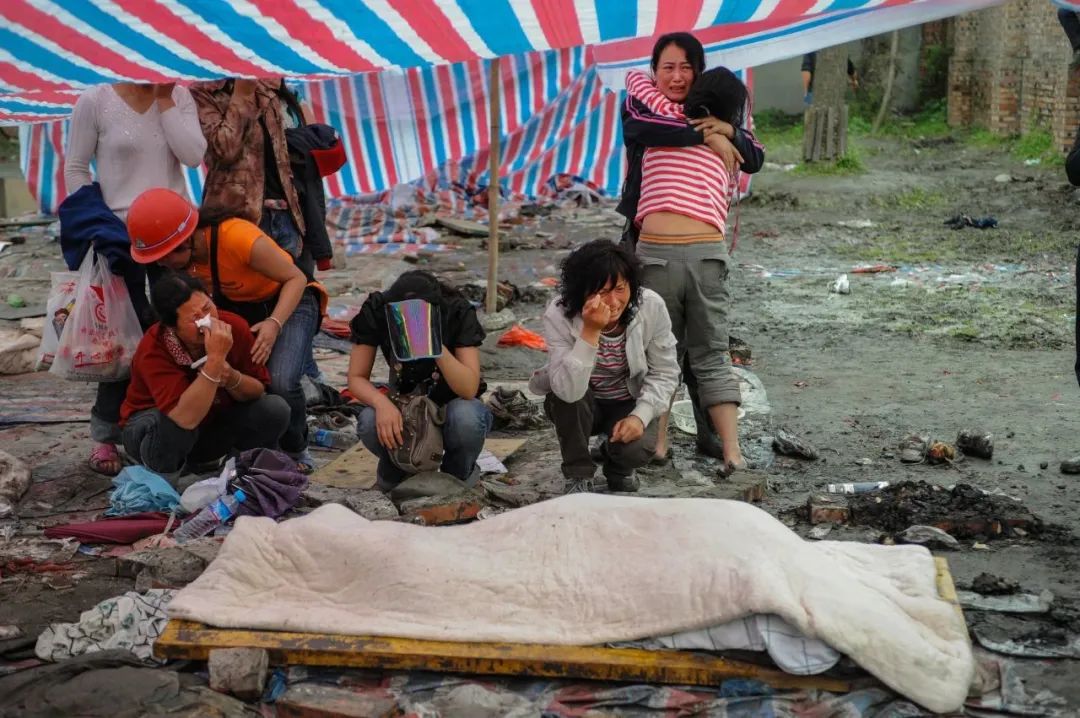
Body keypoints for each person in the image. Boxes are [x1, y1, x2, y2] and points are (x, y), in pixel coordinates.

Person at [125, 188, 326, 473]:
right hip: (244, 308)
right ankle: (183, 459)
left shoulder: (237, 238)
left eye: (163, 258)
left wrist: (273, 325)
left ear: (183, 244)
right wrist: (217, 365)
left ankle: (296, 450)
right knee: (184, 413)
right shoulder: (159, 341)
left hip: (289, 301)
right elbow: (183, 416)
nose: (161, 265)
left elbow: (295, 278)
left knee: (280, 382)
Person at [63, 81, 207, 477]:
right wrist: (92, 219)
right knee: (121, 341)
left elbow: (194, 156)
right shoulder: (95, 100)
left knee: (180, 331)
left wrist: (164, 101)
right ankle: (105, 435)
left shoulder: (177, 96)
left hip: (173, 236)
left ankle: (179, 427)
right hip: (117, 237)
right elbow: (75, 166)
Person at [625, 61, 758, 476]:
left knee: (659, 357)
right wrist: (728, 131)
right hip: (706, 254)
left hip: (657, 253)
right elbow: (757, 155)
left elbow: (635, 82)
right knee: (712, 355)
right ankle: (732, 453)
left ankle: (659, 446)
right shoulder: (735, 146)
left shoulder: (658, 119)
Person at [530, 240, 678, 493]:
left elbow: (665, 372)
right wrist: (590, 331)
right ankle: (578, 472)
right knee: (565, 395)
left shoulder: (651, 306)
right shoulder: (559, 313)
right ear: (580, 292)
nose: (612, 301)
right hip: (583, 403)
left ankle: (618, 468)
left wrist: (638, 417)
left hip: (626, 401)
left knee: (639, 448)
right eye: (600, 292)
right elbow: (567, 390)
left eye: (620, 289)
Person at [119, 272, 289, 479]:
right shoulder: (155, 348)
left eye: (208, 308)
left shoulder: (233, 326)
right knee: (169, 424)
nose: (207, 321)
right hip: (153, 432)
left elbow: (258, 390)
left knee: (273, 409)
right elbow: (184, 418)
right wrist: (215, 361)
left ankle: (232, 471)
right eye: (195, 319)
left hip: (207, 428)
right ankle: (161, 480)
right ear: (173, 326)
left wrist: (232, 378)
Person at [347, 271, 491, 488]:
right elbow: (356, 377)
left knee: (466, 419)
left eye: (417, 315)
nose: (410, 322)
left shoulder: (455, 310)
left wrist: (433, 343)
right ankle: (399, 468)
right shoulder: (378, 309)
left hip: (449, 400)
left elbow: (469, 388)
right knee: (368, 422)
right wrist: (382, 404)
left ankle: (458, 475)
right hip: (405, 401)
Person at [190, 78, 313, 275]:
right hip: (238, 216)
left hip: (283, 214)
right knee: (247, 293)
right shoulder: (204, 94)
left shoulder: (267, 90)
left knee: (293, 289)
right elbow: (224, 149)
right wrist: (241, 95)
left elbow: (282, 159)